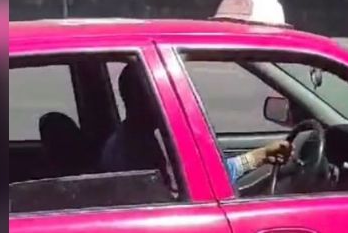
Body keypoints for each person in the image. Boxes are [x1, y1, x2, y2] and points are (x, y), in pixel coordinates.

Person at [102, 63, 291, 180]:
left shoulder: (129, 140)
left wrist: (260, 156)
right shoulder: (138, 153)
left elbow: (206, 177)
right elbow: (205, 183)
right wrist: (258, 157)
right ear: (144, 99)